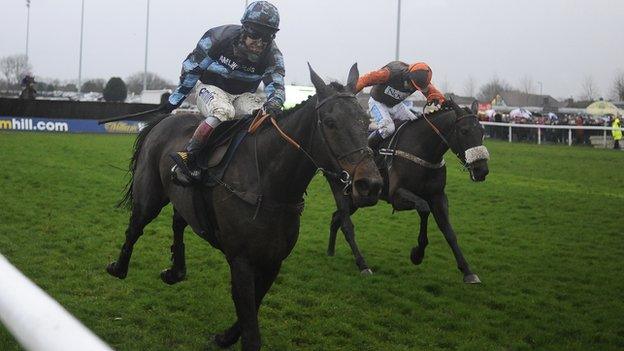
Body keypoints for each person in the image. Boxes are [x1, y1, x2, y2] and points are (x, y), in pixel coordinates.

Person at [161, 1, 285, 185]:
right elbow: (191, 68)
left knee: (263, 115)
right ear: (245, 28)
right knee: (223, 111)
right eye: (255, 34)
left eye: (267, 37)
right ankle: (188, 158)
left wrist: (275, 103)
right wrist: (175, 99)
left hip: (242, 95)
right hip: (210, 88)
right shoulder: (217, 38)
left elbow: (276, 85)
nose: (260, 43)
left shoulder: (272, 55)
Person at [354, 61, 446, 149]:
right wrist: (350, 92)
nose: (412, 87)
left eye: (415, 87)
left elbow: (437, 96)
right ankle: (366, 149)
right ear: (408, 75)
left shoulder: (419, 81)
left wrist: (446, 106)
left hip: (397, 105)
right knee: (388, 129)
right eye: (412, 84)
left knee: (415, 127)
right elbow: (365, 80)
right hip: (377, 103)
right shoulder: (390, 73)